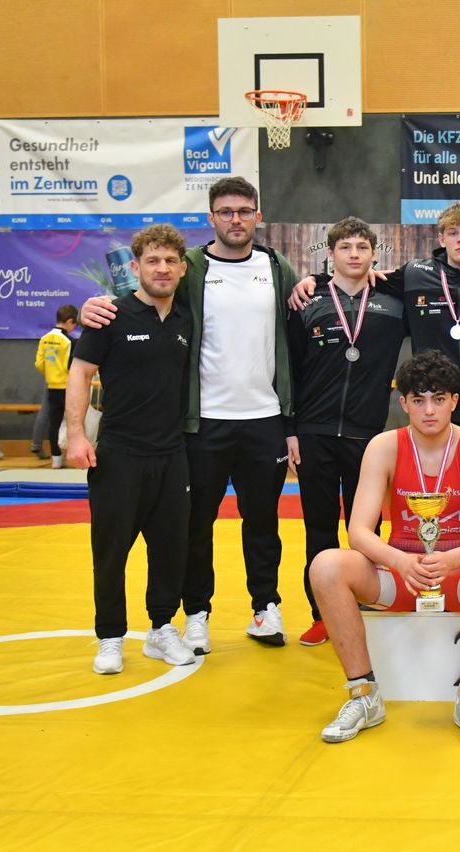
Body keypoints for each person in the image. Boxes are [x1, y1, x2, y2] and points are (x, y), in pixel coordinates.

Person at [80, 176, 299, 653]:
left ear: (258, 217)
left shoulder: (276, 266)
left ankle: (266, 608)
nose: (235, 219)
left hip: (264, 418)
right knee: (193, 526)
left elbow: (301, 317)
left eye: (244, 211)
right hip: (202, 424)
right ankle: (196, 613)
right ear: (211, 218)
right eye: (226, 211)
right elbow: (140, 295)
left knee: (262, 521)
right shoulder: (191, 266)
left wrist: (290, 420)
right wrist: (93, 308)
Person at [308, 351, 460, 744]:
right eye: (419, 399)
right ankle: (364, 695)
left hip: (459, 572)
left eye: (439, 399)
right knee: (326, 565)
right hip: (400, 571)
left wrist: (452, 559)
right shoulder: (383, 446)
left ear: (454, 401)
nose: (429, 410)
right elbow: (358, 530)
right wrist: (398, 561)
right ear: (403, 402)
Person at [291, 201, 460, 509]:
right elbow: (354, 277)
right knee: (438, 507)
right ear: (441, 239)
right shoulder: (416, 274)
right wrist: (316, 281)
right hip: (433, 411)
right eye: (452, 232)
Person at [65, 226, 196, 674]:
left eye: (170, 262)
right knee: (111, 551)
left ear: (182, 269)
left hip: (172, 453)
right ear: (136, 267)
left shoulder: (185, 319)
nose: (162, 269)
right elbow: (80, 373)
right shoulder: (108, 315)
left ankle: (162, 630)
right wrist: (77, 434)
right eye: (153, 261)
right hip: (118, 454)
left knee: (170, 550)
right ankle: (110, 637)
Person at [286, 218, 407, 646]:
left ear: (375, 254)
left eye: (362, 247)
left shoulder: (395, 302)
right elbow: (290, 371)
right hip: (314, 432)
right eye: (345, 247)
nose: (354, 254)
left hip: (367, 437)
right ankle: (323, 613)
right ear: (331, 254)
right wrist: (291, 428)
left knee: (367, 530)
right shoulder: (308, 300)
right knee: (319, 528)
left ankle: (367, 604)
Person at [35, 304, 77, 469]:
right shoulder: (69, 341)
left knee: (54, 423)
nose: (74, 328)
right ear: (70, 321)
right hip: (69, 387)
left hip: (52, 386)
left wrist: (51, 374)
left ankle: (56, 459)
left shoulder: (44, 338)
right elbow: (72, 366)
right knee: (74, 422)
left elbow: (39, 364)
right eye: (75, 325)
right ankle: (75, 456)